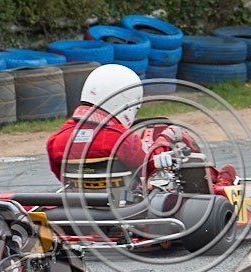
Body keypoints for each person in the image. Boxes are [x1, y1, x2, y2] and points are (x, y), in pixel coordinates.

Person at [46, 63, 186, 186]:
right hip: (127, 207)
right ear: (125, 101)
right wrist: (165, 139)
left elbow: (63, 179)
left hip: (78, 203)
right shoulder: (120, 139)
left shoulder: (56, 140)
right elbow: (148, 167)